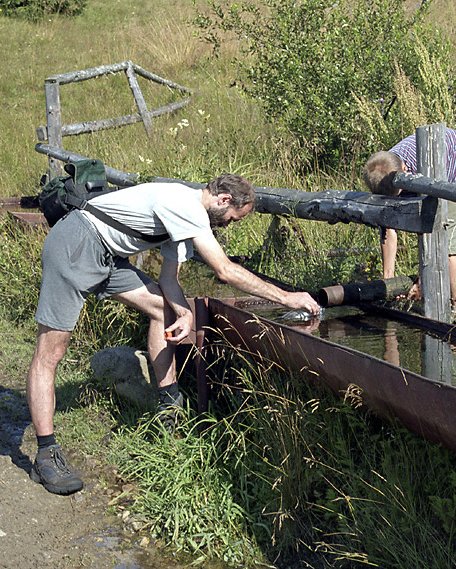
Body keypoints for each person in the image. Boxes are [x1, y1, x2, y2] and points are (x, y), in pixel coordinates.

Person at [27, 173, 320, 495]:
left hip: (108, 256)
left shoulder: (182, 223)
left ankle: (169, 407)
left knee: (162, 309)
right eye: (233, 218)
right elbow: (224, 270)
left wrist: (183, 312)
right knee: (51, 352)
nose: (228, 226)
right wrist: (286, 297)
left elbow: (169, 281)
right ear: (223, 200)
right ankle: (47, 453)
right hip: (76, 243)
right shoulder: (186, 206)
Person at [362, 128, 456, 313]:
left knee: (446, 243)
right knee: (437, 240)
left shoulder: (423, 170)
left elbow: (433, 224)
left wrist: (421, 281)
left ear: (404, 170)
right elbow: (388, 225)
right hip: (444, 173)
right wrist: (389, 282)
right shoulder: (383, 171)